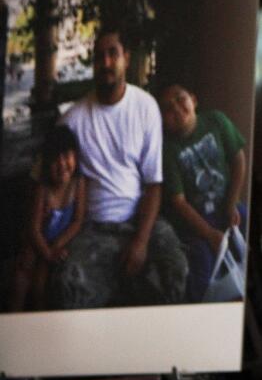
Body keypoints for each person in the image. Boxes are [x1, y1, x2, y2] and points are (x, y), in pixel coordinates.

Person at [49, 27, 187, 308]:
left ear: (126, 57)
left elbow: (153, 185)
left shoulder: (145, 107)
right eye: (99, 57)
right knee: (69, 284)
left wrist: (140, 241)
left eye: (113, 54)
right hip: (94, 229)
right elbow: (48, 181)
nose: (107, 63)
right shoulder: (72, 121)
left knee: (176, 271)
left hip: (141, 220)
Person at [159, 84, 248, 302]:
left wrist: (231, 202)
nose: (177, 109)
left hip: (227, 205)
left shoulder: (216, 121)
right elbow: (179, 203)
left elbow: (238, 160)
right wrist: (209, 233)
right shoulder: (168, 150)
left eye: (181, 99)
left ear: (194, 99)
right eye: (168, 109)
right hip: (197, 222)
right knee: (202, 267)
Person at [7, 126, 88, 311]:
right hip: (37, 241)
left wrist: (56, 246)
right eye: (55, 159)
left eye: (67, 156)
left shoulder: (79, 183)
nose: (62, 164)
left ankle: (40, 322)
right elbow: (33, 228)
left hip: (58, 242)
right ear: (45, 163)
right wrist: (46, 252)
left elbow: (77, 220)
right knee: (20, 278)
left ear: (76, 156)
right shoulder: (42, 188)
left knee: (40, 286)